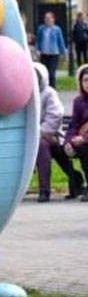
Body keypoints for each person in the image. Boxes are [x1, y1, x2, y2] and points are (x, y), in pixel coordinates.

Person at [34, 63, 84, 201]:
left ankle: (44, 190)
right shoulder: (24, 93)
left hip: (51, 136)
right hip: (29, 138)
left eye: (36, 76)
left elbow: (55, 116)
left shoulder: (49, 93)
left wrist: (39, 132)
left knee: (42, 145)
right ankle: (75, 177)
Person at [63, 65, 88, 203]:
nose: (87, 83)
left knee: (84, 148)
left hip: (85, 142)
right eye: (85, 80)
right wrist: (68, 141)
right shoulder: (78, 101)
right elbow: (73, 125)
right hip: (80, 139)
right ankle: (76, 184)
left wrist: (84, 139)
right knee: (60, 150)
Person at [35, 12, 67, 88]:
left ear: (53, 19)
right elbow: (38, 41)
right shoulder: (41, 29)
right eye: (46, 18)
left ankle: (53, 88)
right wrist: (37, 50)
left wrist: (64, 53)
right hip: (44, 54)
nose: (47, 20)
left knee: (51, 73)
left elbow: (60, 42)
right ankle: (45, 88)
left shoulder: (57, 29)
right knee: (45, 72)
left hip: (54, 54)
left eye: (49, 18)